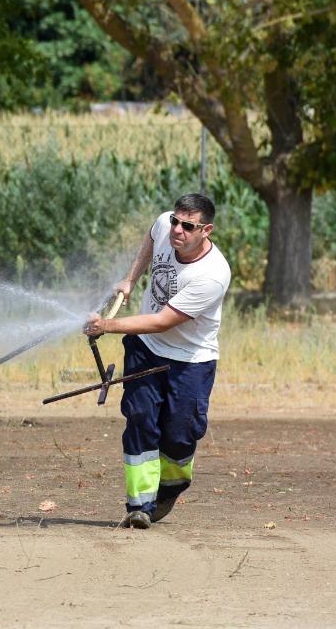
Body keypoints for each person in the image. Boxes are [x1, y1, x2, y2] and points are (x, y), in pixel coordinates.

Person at [83, 193, 231, 529]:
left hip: (190, 360)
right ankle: (139, 505)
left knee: (179, 433)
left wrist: (106, 325)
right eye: (176, 221)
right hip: (145, 347)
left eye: (188, 226)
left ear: (206, 230)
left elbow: (163, 320)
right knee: (139, 418)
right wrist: (130, 279)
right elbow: (151, 239)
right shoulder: (166, 224)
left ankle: (172, 485)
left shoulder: (212, 275)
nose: (177, 230)